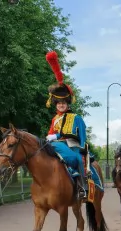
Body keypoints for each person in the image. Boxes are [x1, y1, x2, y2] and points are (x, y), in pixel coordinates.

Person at [45, 51, 88, 199]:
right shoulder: (54, 119)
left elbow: (82, 134)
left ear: (67, 103)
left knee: (76, 159)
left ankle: (83, 187)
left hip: (73, 145)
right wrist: (50, 137)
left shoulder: (76, 117)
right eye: (59, 103)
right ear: (56, 104)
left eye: (64, 103)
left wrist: (82, 149)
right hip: (56, 145)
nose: (61, 105)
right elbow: (51, 133)